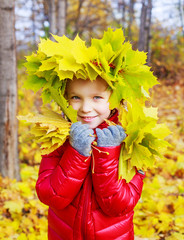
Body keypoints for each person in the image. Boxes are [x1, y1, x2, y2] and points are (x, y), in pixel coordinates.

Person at [35, 75, 145, 240]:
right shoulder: (57, 138)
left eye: (97, 97)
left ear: (117, 98)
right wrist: (76, 152)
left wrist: (108, 152)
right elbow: (50, 196)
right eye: (76, 97)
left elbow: (119, 206)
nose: (85, 108)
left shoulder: (130, 141)